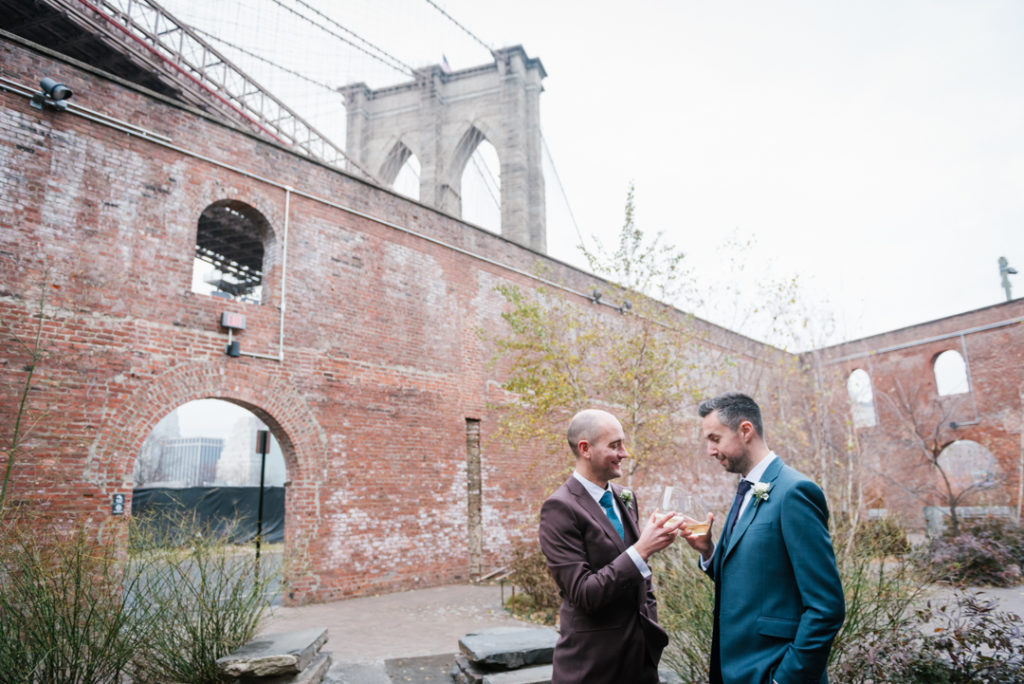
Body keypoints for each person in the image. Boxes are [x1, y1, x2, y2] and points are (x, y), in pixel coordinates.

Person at [681, 392, 845, 684]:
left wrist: (786, 679)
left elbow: (826, 607)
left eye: (715, 438)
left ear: (746, 431)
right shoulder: (746, 489)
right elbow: (750, 583)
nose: (709, 450)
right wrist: (708, 552)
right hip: (736, 671)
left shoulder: (795, 492)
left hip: (773, 670)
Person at [538, 409, 682, 684]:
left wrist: (651, 624)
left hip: (641, 663)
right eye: (615, 445)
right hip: (593, 667)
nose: (624, 453)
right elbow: (583, 592)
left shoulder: (625, 497)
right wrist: (642, 550)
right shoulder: (559, 508)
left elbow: (641, 577)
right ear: (585, 449)